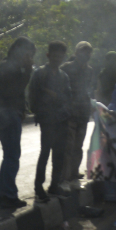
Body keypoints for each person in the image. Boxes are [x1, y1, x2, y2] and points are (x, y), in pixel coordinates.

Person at [0, 36, 36, 210]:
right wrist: (27, 71)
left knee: (9, 156)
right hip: (7, 114)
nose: (30, 58)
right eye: (29, 54)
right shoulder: (10, 66)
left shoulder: (9, 65)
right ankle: (8, 195)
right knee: (12, 156)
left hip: (6, 114)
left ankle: (3, 194)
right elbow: (14, 90)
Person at [28, 41, 72, 202]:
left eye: (60, 56)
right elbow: (33, 96)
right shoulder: (40, 74)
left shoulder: (63, 76)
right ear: (48, 55)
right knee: (45, 153)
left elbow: (68, 97)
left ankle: (54, 185)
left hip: (61, 119)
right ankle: (39, 187)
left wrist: (57, 99)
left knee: (59, 155)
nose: (57, 59)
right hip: (47, 120)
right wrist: (40, 112)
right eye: (54, 56)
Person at [61, 41, 95, 188]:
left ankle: (74, 172)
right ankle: (65, 176)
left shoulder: (89, 70)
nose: (86, 55)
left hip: (83, 112)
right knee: (68, 146)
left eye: (88, 52)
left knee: (78, 145)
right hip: (69, 113)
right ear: (76, 53)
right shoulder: (66, 68)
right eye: (83, 51)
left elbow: (90, 90)